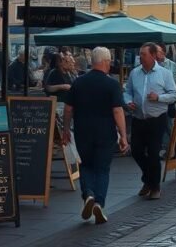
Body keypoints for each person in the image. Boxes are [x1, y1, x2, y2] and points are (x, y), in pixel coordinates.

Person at [61, 47, 128, 225]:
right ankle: (99, 202)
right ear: (106, 61)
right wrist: (123, 136)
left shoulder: (79, 82)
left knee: (86, 166)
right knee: (102, 169)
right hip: (105, 132)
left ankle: (88, 194)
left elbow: (68, 109)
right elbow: (117, 111)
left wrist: (66, 129)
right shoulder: (112, 84)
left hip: (83, 131)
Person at [123, 43, 176, 200]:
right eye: (140, 54)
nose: (141, 56)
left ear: (153, 55)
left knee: (153, 153)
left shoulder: (164, 74)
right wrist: (128, 102)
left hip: (157, 119)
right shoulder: (134, 73)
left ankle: (155, 187)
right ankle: (148, 179)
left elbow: (174, 94)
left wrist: (159, 97)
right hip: (139, 118)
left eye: (144, 54)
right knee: (136, 151)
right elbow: (127, 92)